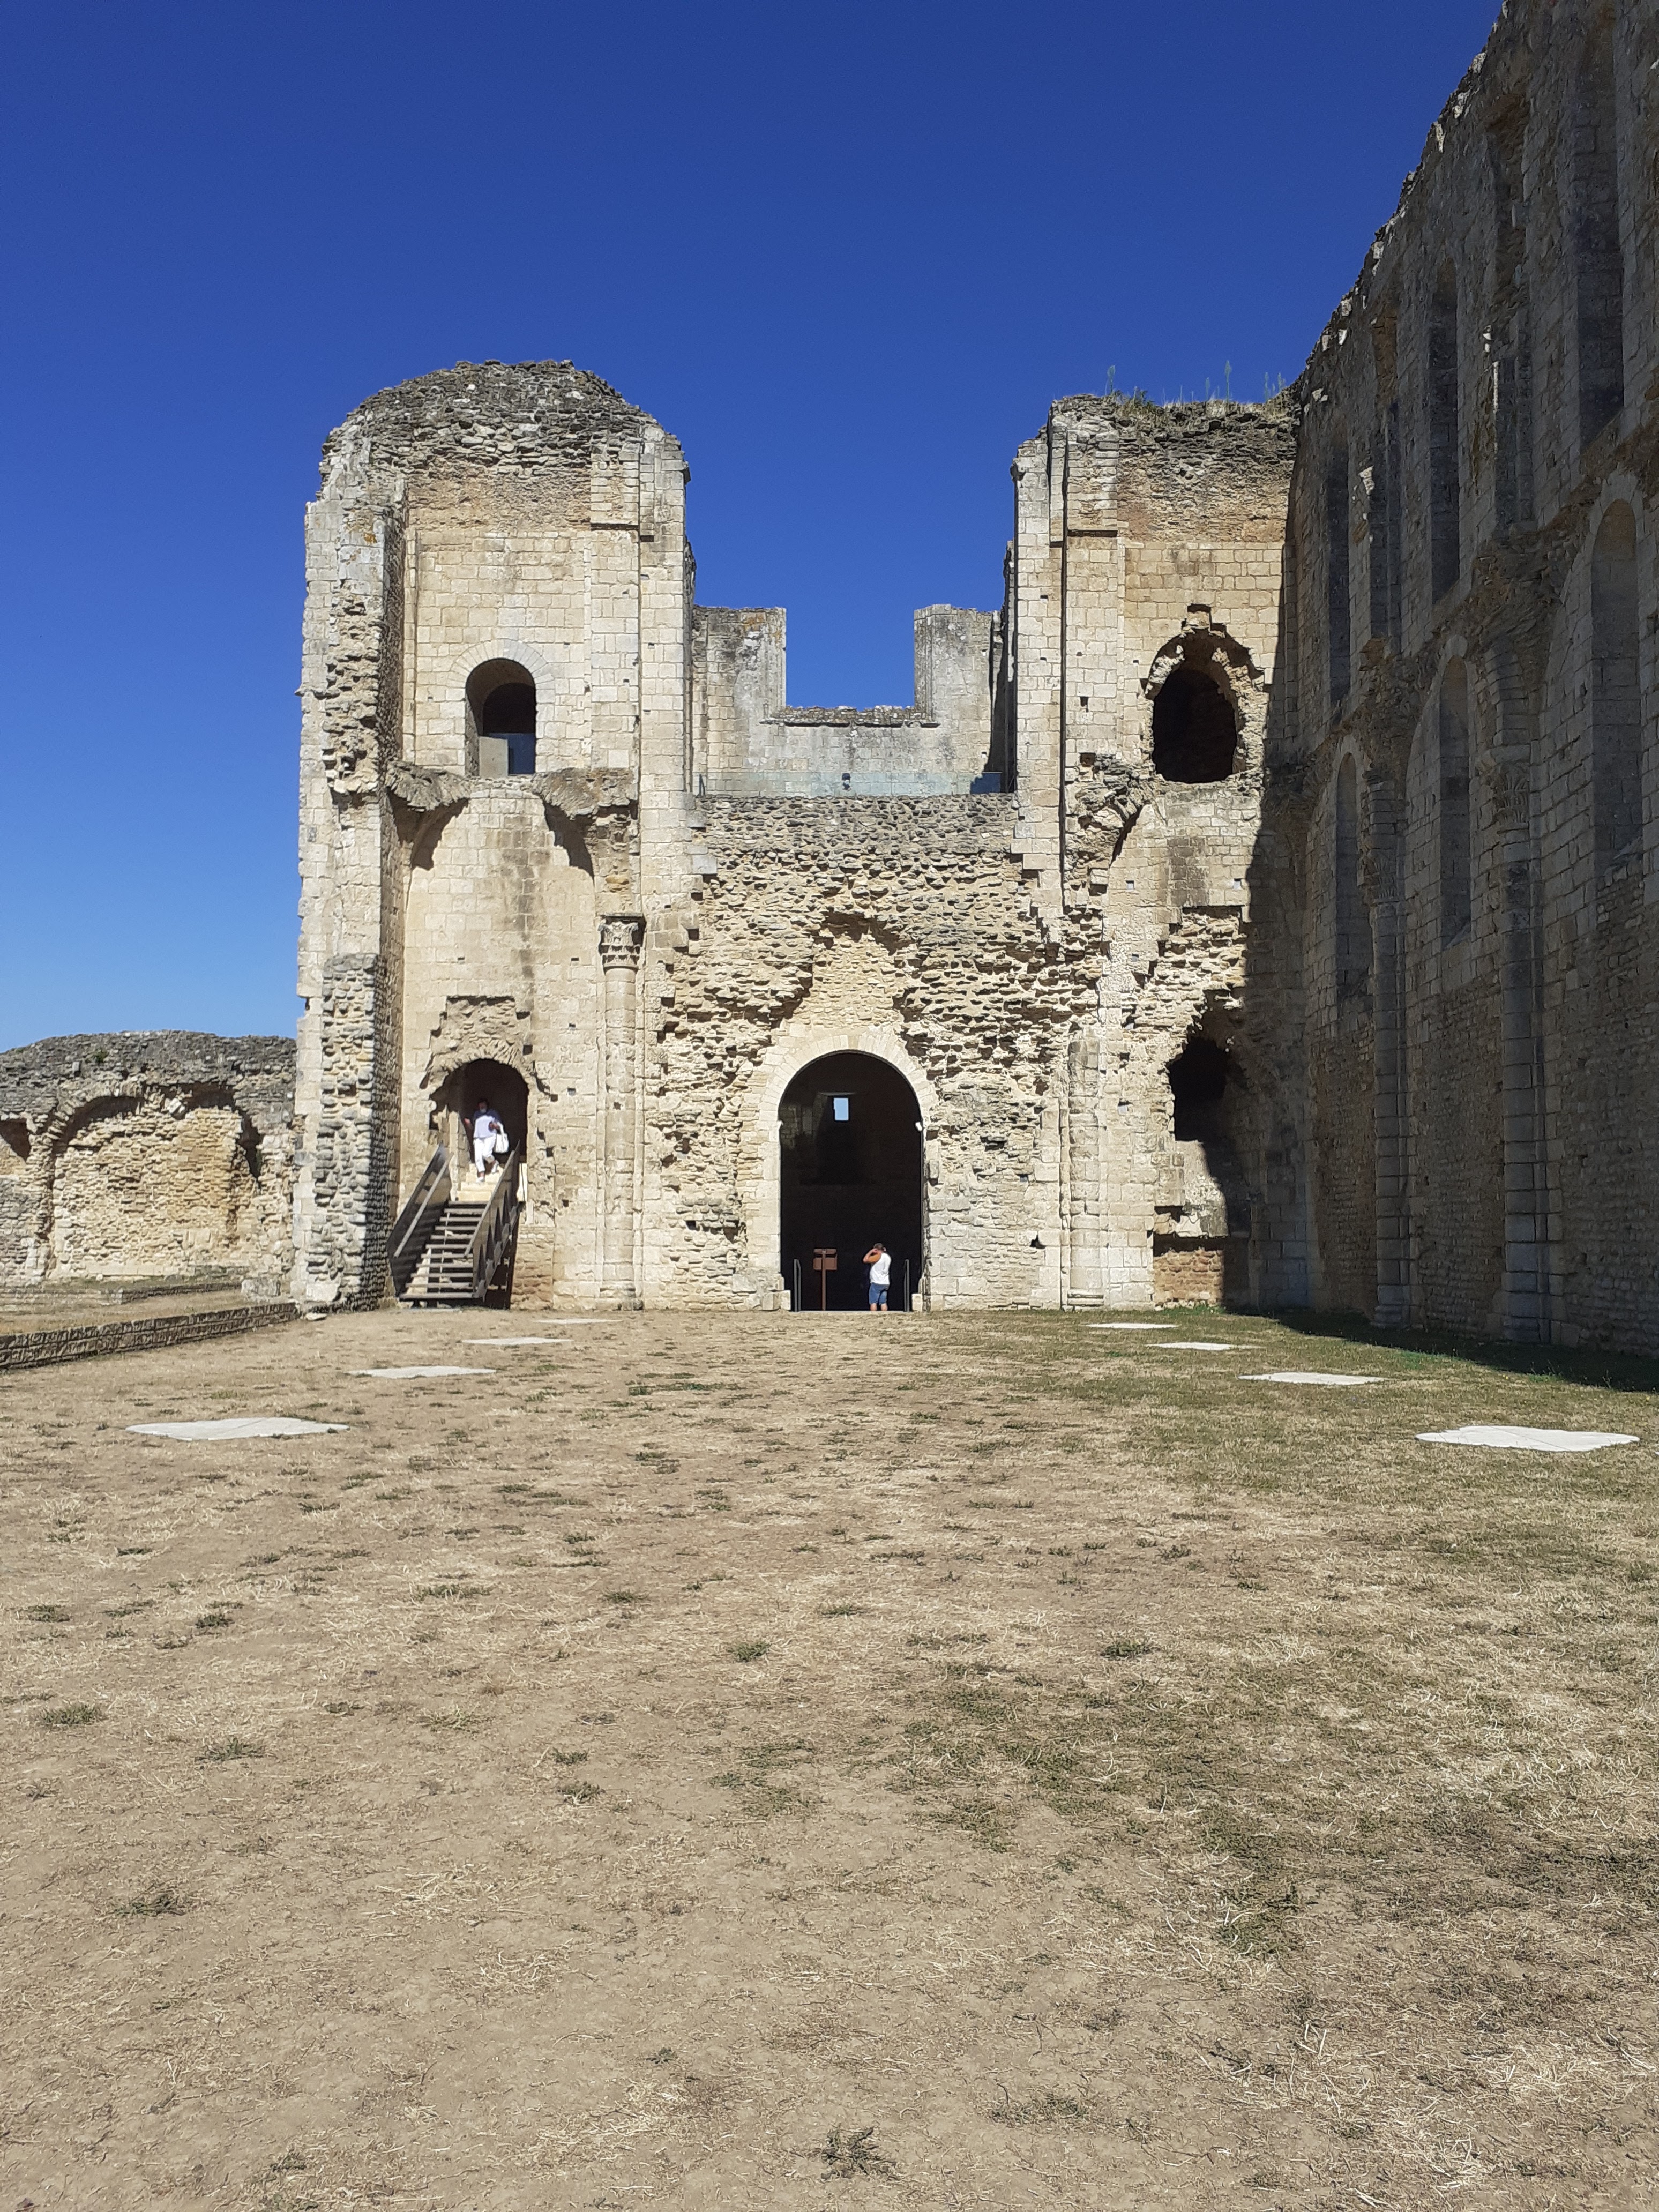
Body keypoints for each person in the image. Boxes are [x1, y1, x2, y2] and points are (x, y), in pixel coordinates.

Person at [470, 1101, 504, 1184]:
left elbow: (499, 1125)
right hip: (478, 1137)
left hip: (490, 1136)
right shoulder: (477, 1114)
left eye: (483, 1105)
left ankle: (494, 1162)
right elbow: (472, 1126)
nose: (482, 1107)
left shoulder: (493, 1113)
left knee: (486, 1154)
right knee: (478, 1157)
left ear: (487, 1106)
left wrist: (494, 1126)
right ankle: (481, 1176)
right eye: (480, 1106)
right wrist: (468, 1124)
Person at [863, 1242, 892, 1313]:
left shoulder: (878, 1256)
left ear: (876, 1250)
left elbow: (865, 1260)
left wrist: (871, 1252)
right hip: (885, 1282)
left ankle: (874, 1316)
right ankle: (885, 1316)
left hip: (877, 1282)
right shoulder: (888, 1257)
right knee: (883, 1302)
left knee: (873, 1302)